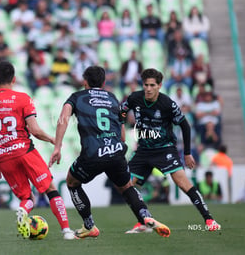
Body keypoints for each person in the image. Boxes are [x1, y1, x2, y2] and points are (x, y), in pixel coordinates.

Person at [49, 65, 171, 238]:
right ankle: (145, 216)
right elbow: (122, 135)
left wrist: (58, 147)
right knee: (126, 186)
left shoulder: (77, 97)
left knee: (72, 182)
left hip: (92, 154)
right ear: (104, 82)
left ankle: (89, 225)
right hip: (115, 151)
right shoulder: (113, 98)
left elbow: (63, 120)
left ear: (85, 82)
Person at [0, 61, 76, 240]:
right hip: (25, 151)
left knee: (27, 197)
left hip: (3, 158)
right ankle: (66, 231)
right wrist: (53, 139)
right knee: (50, 189)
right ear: (14, 79)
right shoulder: (22, 98)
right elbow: (35, 131)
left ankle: (23, 209)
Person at [120, 68, 221, 232]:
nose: (148, 88)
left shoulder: (167, 103)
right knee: (126, 185)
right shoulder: (134, 98)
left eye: (152, 85)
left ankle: (209, 220)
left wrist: (187, 153)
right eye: (146, 85)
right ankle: (144, 220)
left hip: (164, 149)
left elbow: (185, 126)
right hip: (143, 150)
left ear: (159, 86)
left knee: (182, 183)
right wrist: (121, 126)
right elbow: (121, 111)